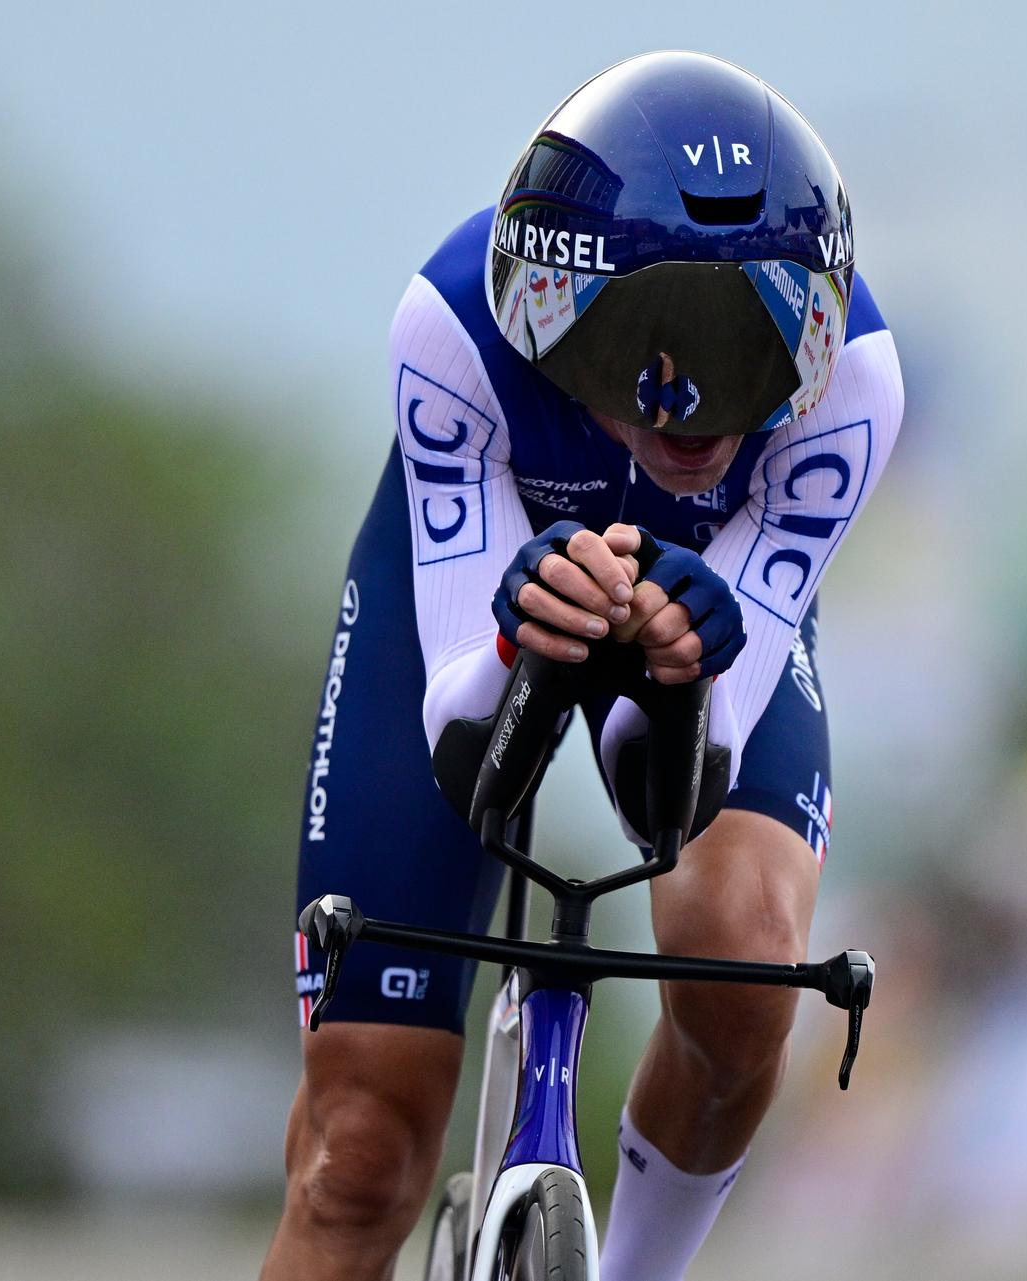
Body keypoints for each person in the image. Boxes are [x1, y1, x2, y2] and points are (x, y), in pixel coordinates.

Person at [265, 51, 904, 1281]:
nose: (696, 413)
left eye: (755, 353)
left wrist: (677, 683)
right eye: (650, 353)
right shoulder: (452, 329)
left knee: (742, 955)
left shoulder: (855, 392)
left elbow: (683, 788)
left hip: (705, 627)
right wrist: (518, 638)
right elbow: (464, 731)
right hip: (478, 605)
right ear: (551, 316)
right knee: (361, 1149)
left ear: (814, 337)